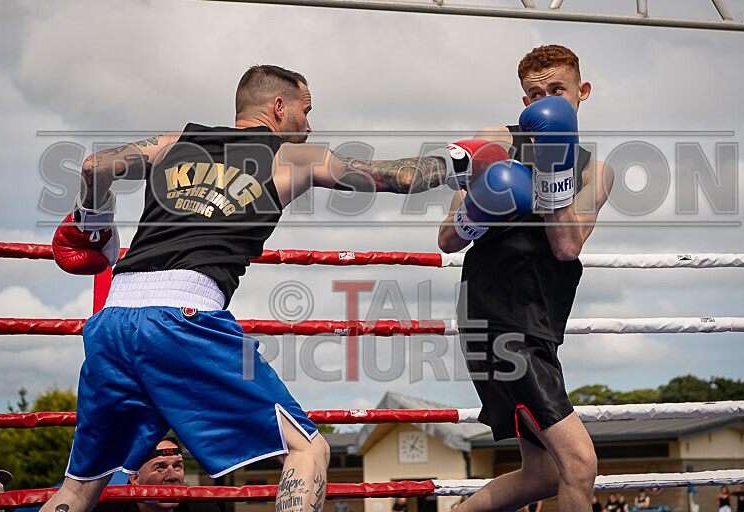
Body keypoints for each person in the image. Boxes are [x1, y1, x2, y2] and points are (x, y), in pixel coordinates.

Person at [45, 64, 484, 512]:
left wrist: (94, 225)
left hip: (112, 322)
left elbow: (94, 166)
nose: (309, 124)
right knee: (310, 450)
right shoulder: (292, 157)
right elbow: (395, 177)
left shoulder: (175, 141)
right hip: (183, 317)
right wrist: (464, 160)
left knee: (80, 489)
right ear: (279, 107)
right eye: (305, 111)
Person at [439, 45, 613, 512]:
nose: (545, 101)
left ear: (582, 92)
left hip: (540, 324)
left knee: (543, 476)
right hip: (495, 319)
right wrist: (478, 209)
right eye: (535, 95)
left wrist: (552, 171)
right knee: (579, 465)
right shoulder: (496, 140)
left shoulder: (597, 172)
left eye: (557, 90)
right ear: (523, 102)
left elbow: (566, 246)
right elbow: (447, 239)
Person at [93, 437, 219, 512]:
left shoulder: (204, 509)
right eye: (160, 468)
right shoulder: (106, 510)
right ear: (135, 477)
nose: (172, 476)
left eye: (177, 466)